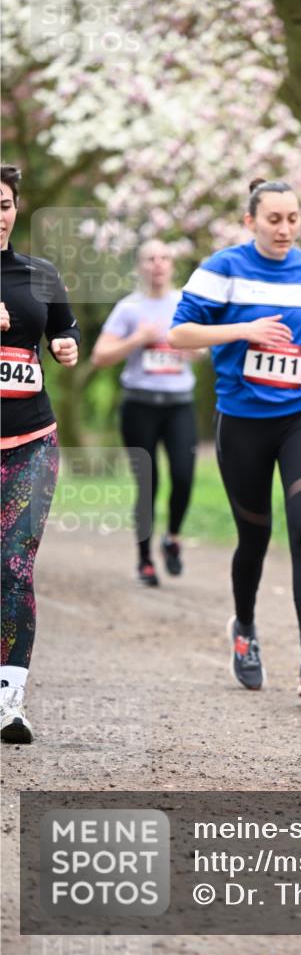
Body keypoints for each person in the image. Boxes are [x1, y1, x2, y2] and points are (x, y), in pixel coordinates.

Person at [169, 179, 301, 696]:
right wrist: (243, 330)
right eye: (274, 219)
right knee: (255, 536)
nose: (285, 228)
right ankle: (244, 629)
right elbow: (179, 333)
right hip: (242, 419)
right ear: (250, 221)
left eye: (293, 219)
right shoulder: (223, 268)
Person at [0, 164, 80, 743]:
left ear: (16, 208)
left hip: (30, 441)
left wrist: (65, 344)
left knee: (14, 563)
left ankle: (9, 702)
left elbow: (63, 331)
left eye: (3, 205)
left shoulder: (39, 273)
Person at [91, 239, 198, 586]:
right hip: (139, 406)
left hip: (179, 404)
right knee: (148, 483)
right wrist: (137, 339)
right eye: (150, 258)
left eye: (165, 257)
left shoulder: (184, 303)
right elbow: (100, 356)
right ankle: (144, 559)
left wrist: (191, 347)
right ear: (140, 266)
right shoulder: (129, 308)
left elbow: (204, 348)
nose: (158, 264)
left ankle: (173, 538)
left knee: (183, 476)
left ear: (172, 265)